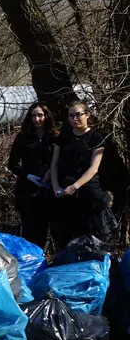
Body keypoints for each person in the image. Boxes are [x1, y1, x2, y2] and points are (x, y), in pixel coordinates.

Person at [50, 100, 117, 245]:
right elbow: (54, 164)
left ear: (87, 115)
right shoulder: (63, 137)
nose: (75, 119)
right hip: (64, 189)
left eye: (78, 115)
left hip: (87, 189)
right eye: (71, 115)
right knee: (67, 234)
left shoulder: (96, 137)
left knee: (94, 233)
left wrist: (75, 186)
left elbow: (94, 168)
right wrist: (55, 186)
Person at [8, 102, 57, 248]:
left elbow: (63, 161)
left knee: (47, 229)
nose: (37, 119)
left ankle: (43, 258)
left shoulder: (55, 137)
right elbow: (12, 164)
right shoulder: (23, 137)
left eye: (40, 115)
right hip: (27, 190)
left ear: (47, 116)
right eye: (33, 116)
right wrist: (27, 175)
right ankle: (30, 261)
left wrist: (52, 172)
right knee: (29, 230)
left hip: (50, 189)